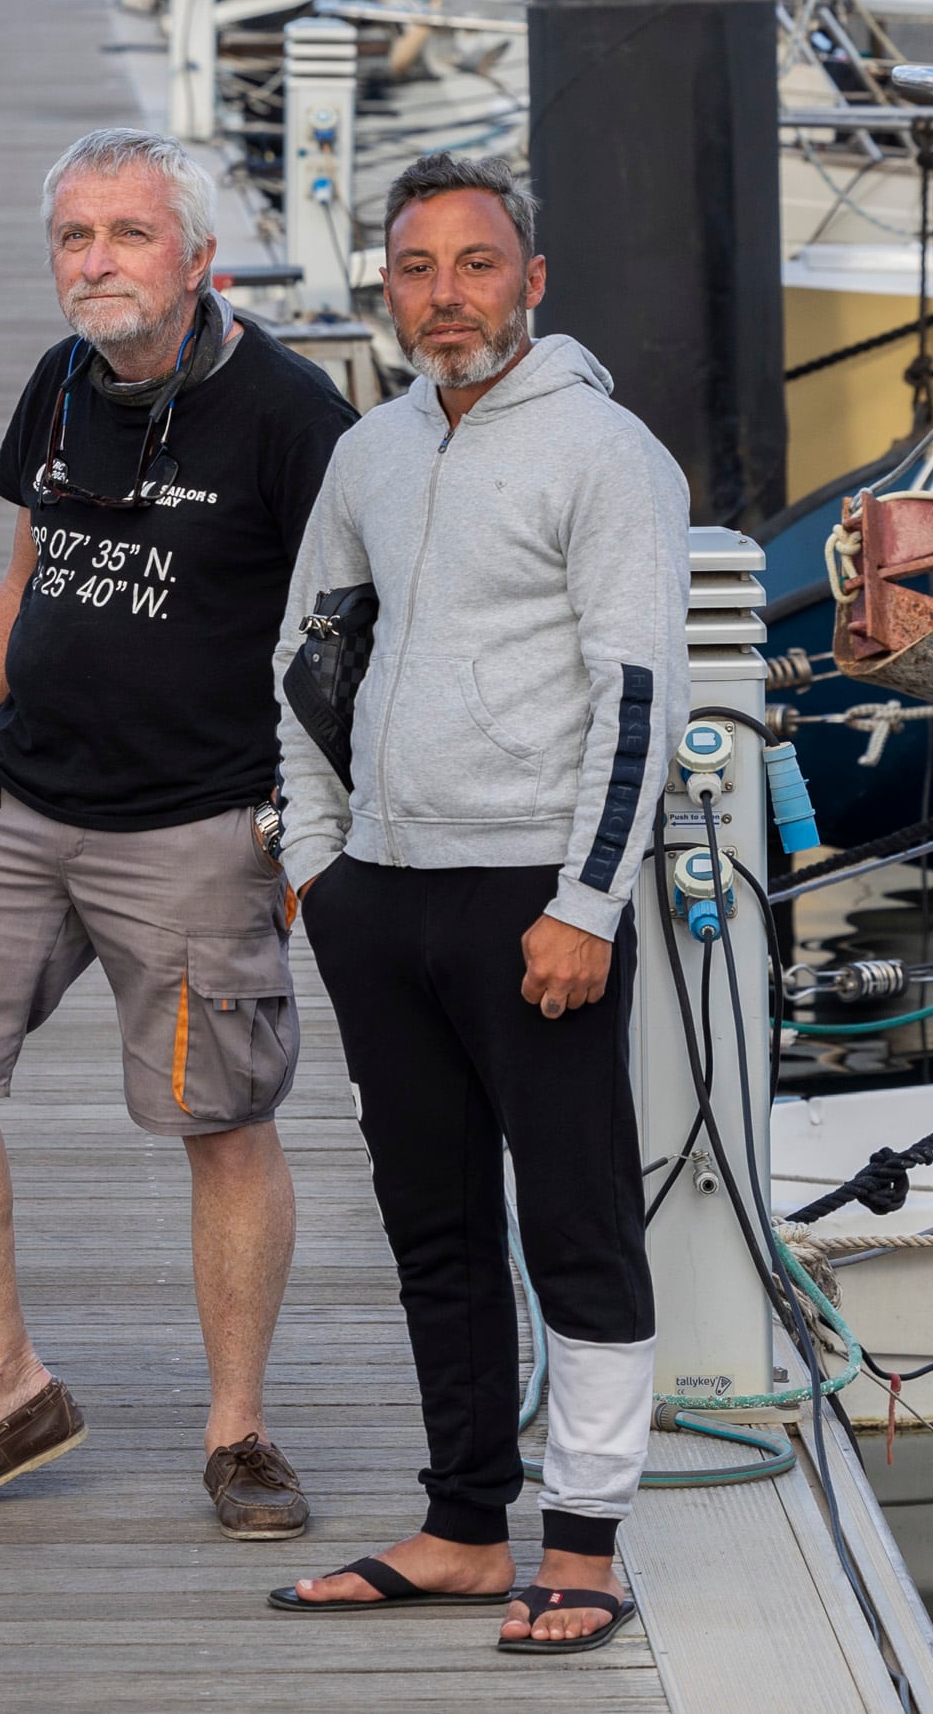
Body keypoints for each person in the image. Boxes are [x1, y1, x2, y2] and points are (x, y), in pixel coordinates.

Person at [0, 127, 356, 1537]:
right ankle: (3, 1386)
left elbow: (354, 632)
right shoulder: (63, 380)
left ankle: (240, 1432)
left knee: (226, 1122)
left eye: (130, 236)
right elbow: (27, 563)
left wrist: (314, 830)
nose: (98, 263)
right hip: (11, 799)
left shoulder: (291, 415)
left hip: (199, 826)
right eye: (76, 238)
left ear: (199, 256)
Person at [268, 153, 688, 1651]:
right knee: (432, 1227)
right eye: (417, 269)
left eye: (477, 264)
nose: (447, 295)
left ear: (533, 280)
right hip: (382, 894)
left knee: (574, 1222)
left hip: (534, 896)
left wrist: (588, 899)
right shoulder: (371, 451)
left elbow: (637, 699)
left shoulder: (605, 452)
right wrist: (320, 865)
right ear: (387, 288)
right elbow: (311, 659)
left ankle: (585, 1541)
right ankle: (461, 1524)